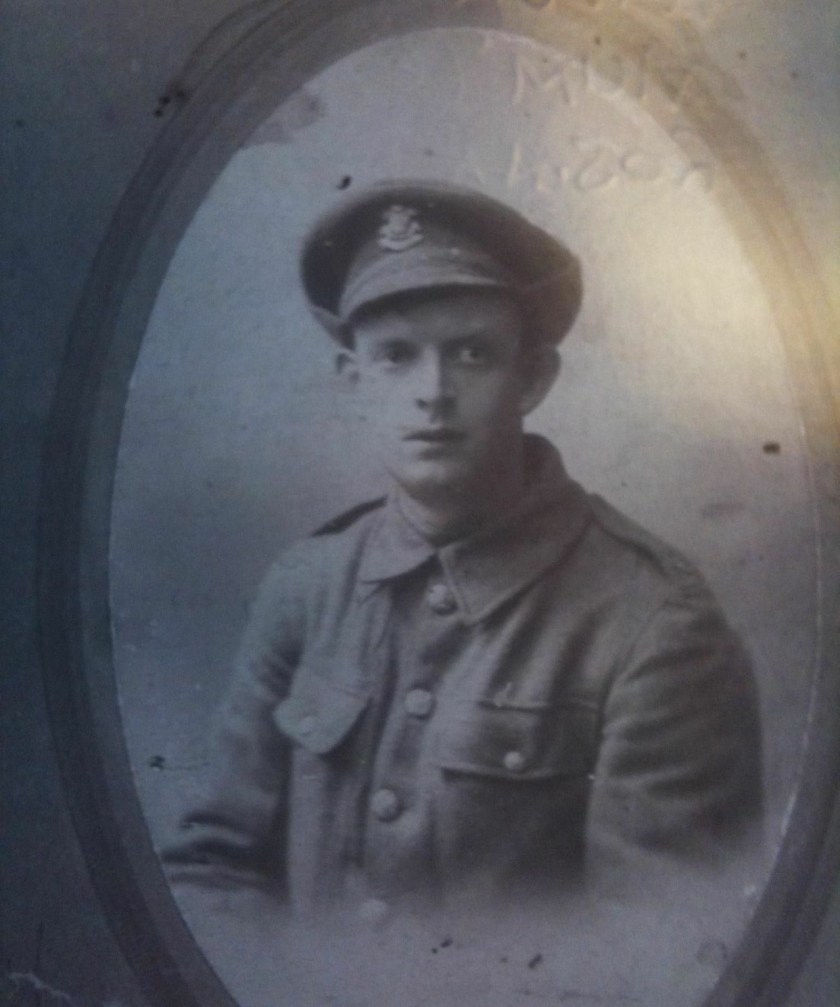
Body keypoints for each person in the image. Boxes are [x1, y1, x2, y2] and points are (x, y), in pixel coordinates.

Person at [162, 180, 763, 949]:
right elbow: (208, 869)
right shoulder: (306, 584)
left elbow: (664, 956)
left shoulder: (653, 619)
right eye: (396, 358)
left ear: (533, 378)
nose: (432, 393)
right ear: (354, 384)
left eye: (472, 354)